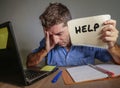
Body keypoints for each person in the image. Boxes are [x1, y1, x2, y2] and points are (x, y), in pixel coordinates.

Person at [26, 2, 120, 67]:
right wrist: (45, 50)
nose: (55, 40)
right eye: (50, 34)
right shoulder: (47, 42)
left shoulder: (89, 38)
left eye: (59, 33)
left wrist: (112, 46)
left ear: (70, 25)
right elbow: (29, 63)